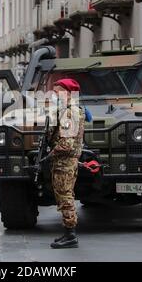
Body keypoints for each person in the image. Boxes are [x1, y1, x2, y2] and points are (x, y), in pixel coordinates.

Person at [47, 79, 85, 249]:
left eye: (58, 92)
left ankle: (71, 235)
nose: (55, 95)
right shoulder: (69, 110)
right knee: (65, 195)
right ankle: (68, 233)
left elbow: (67, 144)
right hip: (66, 161)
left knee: (65, 197)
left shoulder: (70, 113)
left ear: (69, 94)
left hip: (65, 161)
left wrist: (50, 153)